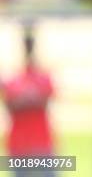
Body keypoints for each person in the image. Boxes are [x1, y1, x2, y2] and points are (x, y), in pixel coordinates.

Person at [1, 28, 55, 177]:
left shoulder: (43, 78)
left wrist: (22, 100)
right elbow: (10, 104)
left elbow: (43, 100)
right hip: (19, 144)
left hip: (41, 142)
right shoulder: (14, 80)